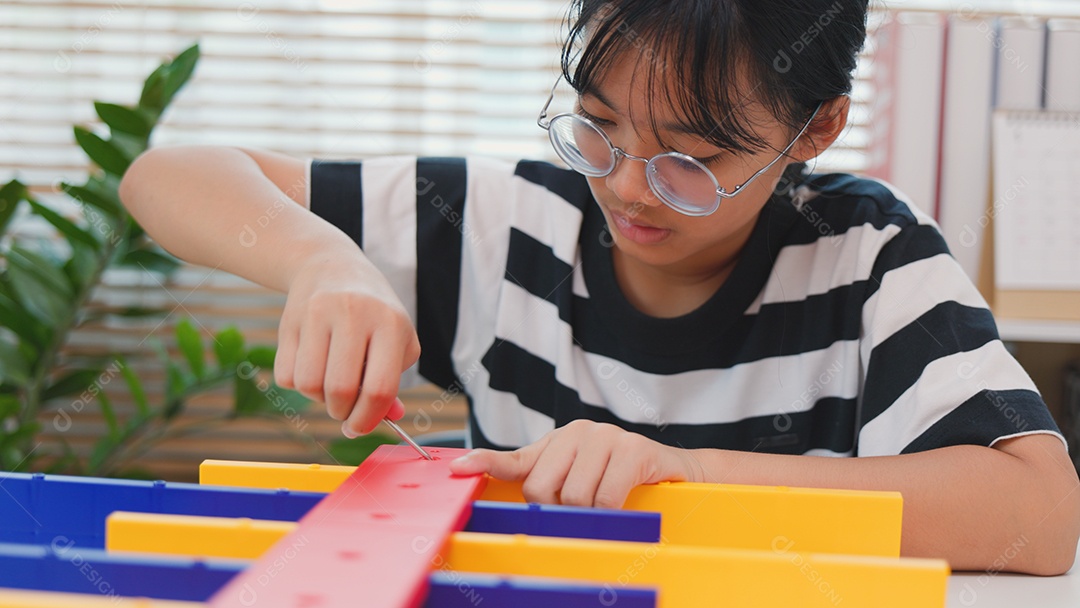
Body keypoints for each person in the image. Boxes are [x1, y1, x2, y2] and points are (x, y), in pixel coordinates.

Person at [120, 0, 1079, 574]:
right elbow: (164, 177)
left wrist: (684, 472)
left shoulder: (866, 252)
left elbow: (1038, 518)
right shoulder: (505, 222)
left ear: (815, 130)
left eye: (690, 162)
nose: (624, 185)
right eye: (596, 126)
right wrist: (321, 261)